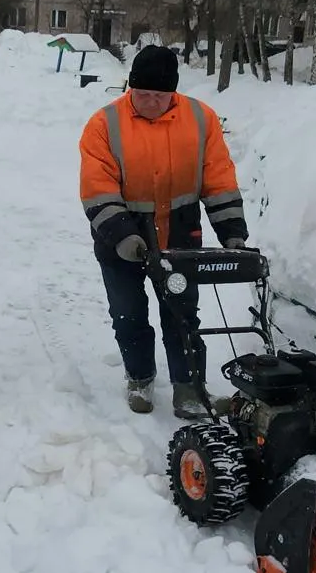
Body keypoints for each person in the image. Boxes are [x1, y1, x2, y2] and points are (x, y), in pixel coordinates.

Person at [78, 44, 247, 419]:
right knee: (128, 311)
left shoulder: (201, 119)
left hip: (179, 231)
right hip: (121, 234)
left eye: (159, 95)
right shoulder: (105, 124)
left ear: (173, 92)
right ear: (129, 88)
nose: (151, 103)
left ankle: (189, 389)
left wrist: (231, 229)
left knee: (182, 313)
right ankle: (139, 376)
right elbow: (97, 186)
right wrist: (122, 235)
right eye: (142, 95)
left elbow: (218, 178)